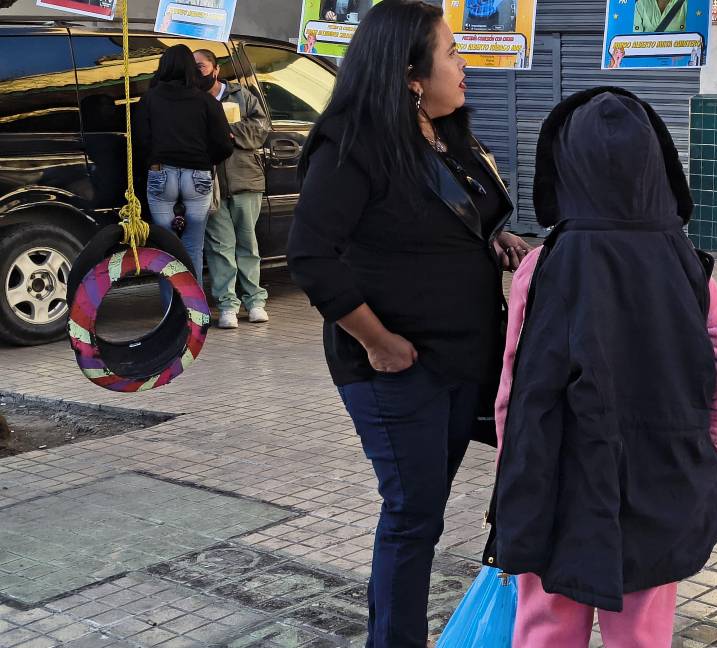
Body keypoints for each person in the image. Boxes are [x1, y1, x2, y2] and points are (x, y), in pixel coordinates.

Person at [285, 0, 528, 644]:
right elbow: (310, 256)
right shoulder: (353, 147)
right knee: (412, 514)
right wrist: (379, 341)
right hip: (397, 370)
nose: (464, 65)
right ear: (411, 74)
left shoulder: (447, 135)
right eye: (451, 53)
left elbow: (463, 219)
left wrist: (495, 240)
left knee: (425, 511)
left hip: (463, 360)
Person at [486, 88, 717, 648]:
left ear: (561, 169)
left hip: (555, 482)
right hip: (660, 482)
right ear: (657, 168)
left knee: (544, 628)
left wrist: (514, 474)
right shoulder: (690, 268)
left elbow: (512, 387)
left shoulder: (541, 267)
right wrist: (705, 446)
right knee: (642, 634)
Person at [137, 44, 233, 292]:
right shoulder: (206, 101)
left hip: (161, 174)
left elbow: (140, 141)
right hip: (198, 177)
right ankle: (194, 314)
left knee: (166, 250)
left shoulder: (150, 99)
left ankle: (172, 314)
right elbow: (224, 145)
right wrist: (204, 160)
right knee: (193, 247)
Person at [194, 49, 273, 329]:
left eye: (201, 66)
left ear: (216, 69)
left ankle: (255, 301)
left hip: (244, 180)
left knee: (248, 244)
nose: (197, 71)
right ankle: (227, 305)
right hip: (210, 183)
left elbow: (261, 128)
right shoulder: (193, 99)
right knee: (219, 247)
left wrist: (229, 132)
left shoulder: (242, 95)